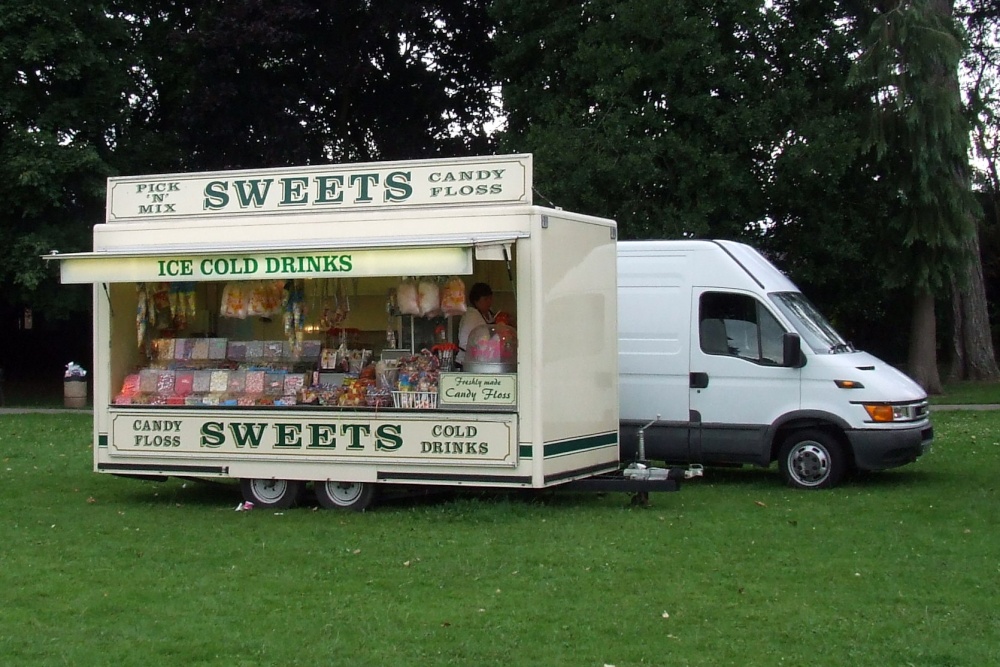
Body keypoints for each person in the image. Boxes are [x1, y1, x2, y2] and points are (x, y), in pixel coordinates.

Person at [457, 282, 494, 366]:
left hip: (481, 361)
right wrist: (478, 352)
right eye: (485, 299)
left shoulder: (487, 313)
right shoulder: (471, 316)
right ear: (476, 301)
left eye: (490, 299)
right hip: (467, 362)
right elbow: (464, 342)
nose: (489, 302)